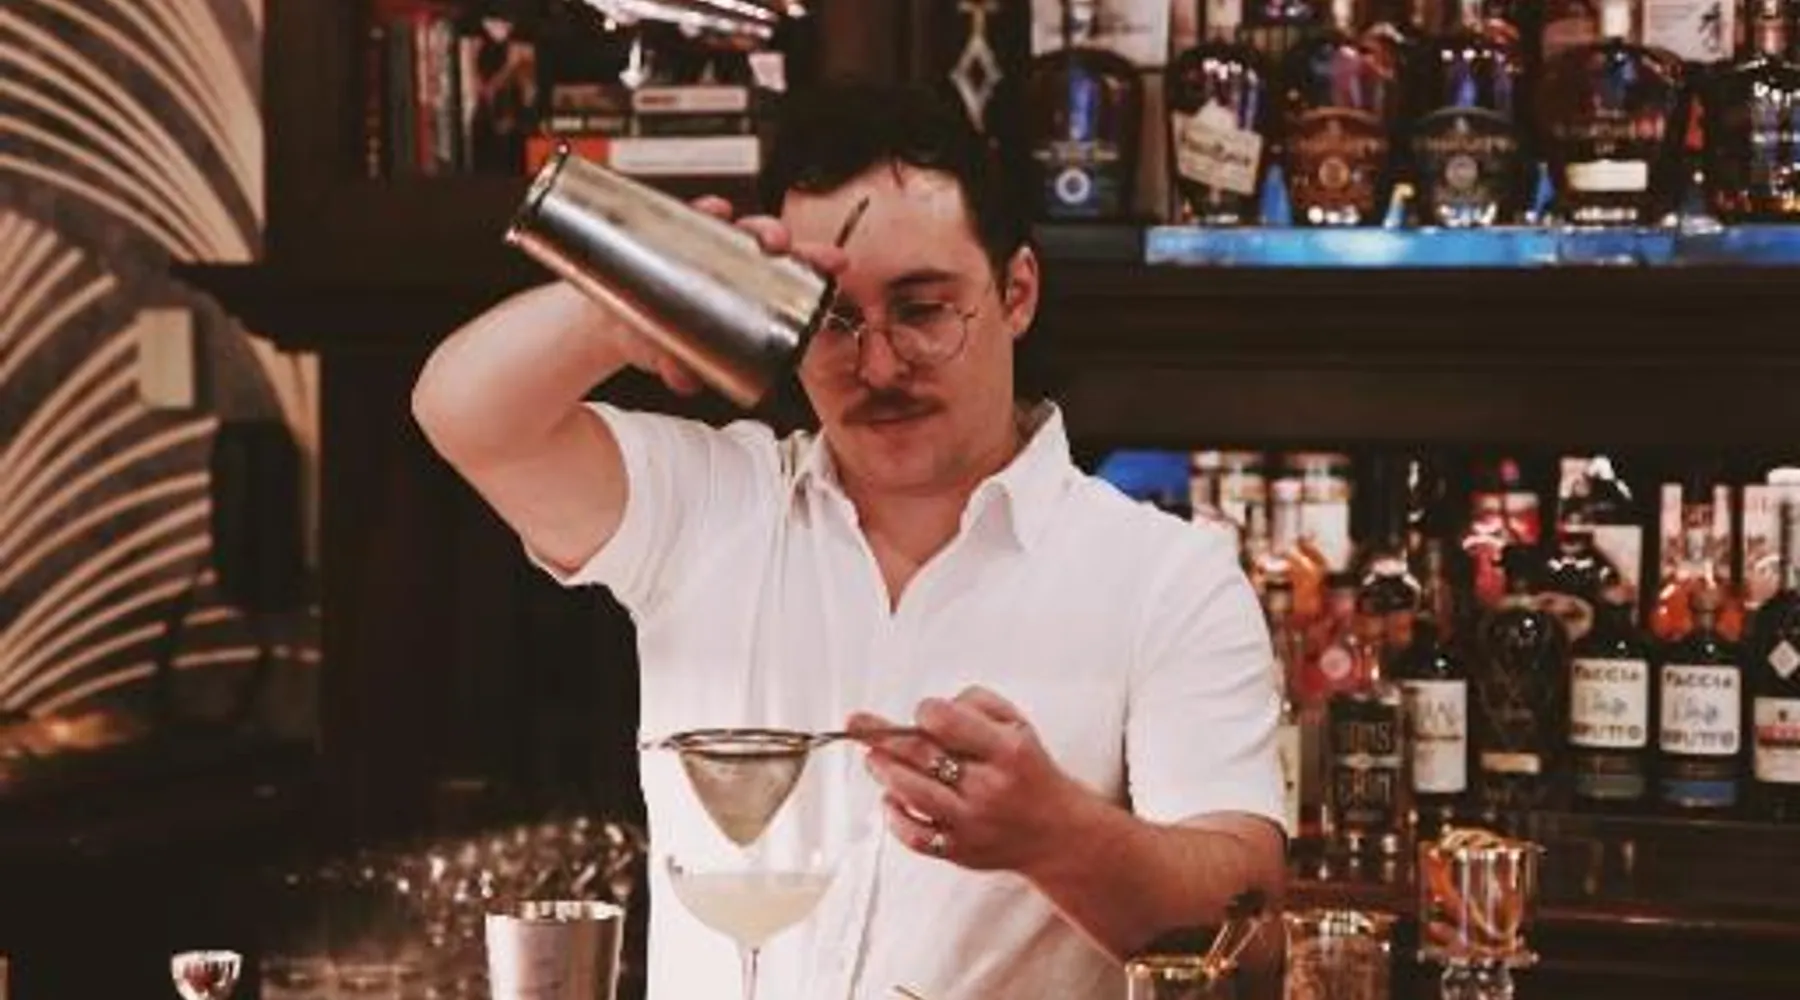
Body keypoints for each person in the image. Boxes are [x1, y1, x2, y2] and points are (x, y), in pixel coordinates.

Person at [412, 80, 1287, 1000]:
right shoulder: (710, 506)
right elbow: (465, 414)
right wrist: (628, 302)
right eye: (828, 317)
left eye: (922, 309)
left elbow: (1258, 934)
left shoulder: (1165, 579)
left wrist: (1056, 836)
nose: (876, 364)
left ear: (1017, 292)